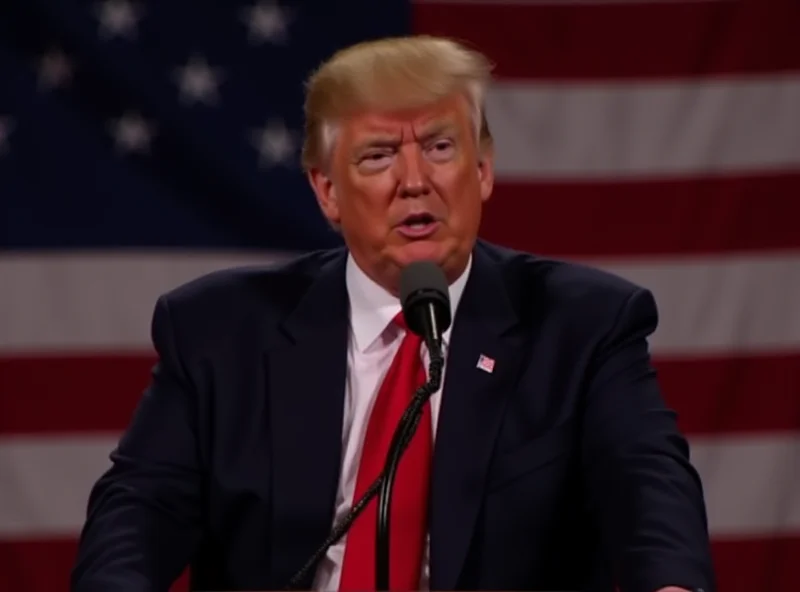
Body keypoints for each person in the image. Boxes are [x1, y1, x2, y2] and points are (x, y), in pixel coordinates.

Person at [71, 35, 715, 592]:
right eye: (378, 155)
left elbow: (645, 482)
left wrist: (671, 581)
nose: (415, 180)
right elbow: (140, 510)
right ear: (327, 190)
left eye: (440, 147)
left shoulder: (583, 325)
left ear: (484, 169)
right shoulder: (221, 331)